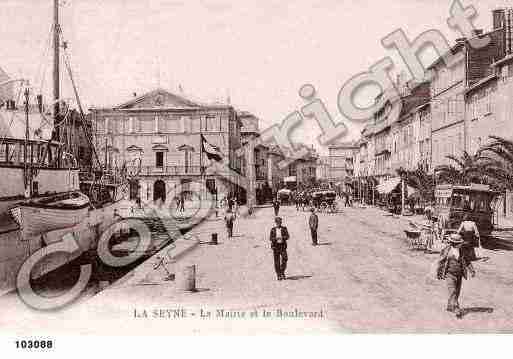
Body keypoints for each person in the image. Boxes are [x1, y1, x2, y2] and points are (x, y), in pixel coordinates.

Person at [437, 234, 476, 318]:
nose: (461, 244)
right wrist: (439, 272)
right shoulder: (446, 250)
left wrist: (472, 270)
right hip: (449, 274)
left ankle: (450, 305)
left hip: (459, 274)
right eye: (459, 243)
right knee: (452, 291)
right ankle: (456, 309)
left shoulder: (462, 251)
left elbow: (467, 261)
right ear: (454, 243)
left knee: (457, 292)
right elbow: (441, 262)